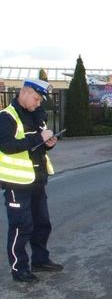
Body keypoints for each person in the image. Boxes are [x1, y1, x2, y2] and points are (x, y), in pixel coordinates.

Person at [0, 79, 63, 283]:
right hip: (16, 183)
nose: (38, 103)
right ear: (24, 93)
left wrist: (48, 143)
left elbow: (37, 146)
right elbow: (7, 146)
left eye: (40, 100)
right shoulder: (6, 117)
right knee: (21, 227)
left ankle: (40, 260)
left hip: (37, 179)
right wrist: (39, 138)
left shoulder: (36, 115)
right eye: (36, 99)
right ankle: (19, 269)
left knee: (42, 224)